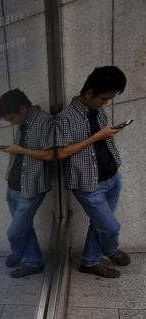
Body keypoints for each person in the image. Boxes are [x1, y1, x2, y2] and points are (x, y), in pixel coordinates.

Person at [56, 66, 130, 278]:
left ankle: (89, 262)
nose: (105, 103)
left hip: (112, 177)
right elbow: (60, 152)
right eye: (104, 98)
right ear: (89, 93)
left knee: (100, 224)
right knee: (110, 227)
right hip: (89, 183)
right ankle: (110, 249)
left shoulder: (98, 110)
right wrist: (96, 137)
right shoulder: (65, 118)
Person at [0, 89, 56, 278]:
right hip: (13, 186)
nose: (11, 122)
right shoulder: (23, 122)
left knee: (14, 233)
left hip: (31, 187)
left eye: (12, 118)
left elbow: (51, 154)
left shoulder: (44, 121)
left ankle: (19, 251)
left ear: (23, 108)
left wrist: (20, 149)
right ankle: (33, 261)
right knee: (24, 227)